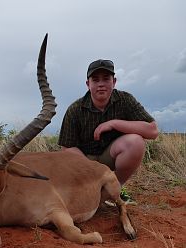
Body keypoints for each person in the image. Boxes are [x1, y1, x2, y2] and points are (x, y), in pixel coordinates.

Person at [58, 59, 158, 190]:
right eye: (95, 80)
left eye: (106, 79)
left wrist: (114, 123)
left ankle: (116, 187)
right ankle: (91, 188)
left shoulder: (125, 100)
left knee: (135, 142)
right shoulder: (75, 109)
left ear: (114, 82)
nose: (101, 84)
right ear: (88, 84)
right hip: (84, 162)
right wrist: (91, 168)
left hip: (110, 156)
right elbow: (67, 148)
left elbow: (152, 131)